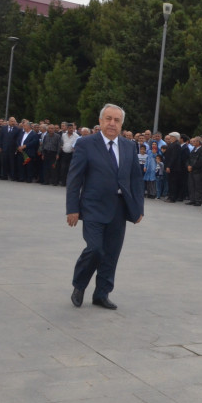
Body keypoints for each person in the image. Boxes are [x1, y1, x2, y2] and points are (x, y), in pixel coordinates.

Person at [66, 104, 144, 310]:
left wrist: (138, 208)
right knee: (95, 249)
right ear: (100, 122)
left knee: (111, 254)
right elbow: (75, 178)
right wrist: (72, 208)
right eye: (108, 119)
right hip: (93, 207)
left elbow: (135, 179)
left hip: (119, 208)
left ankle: (102, 293)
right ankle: (79, 285)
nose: (112, 123)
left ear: (121, 124)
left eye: (116, 120)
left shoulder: (129, 146)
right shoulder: (85, 144)